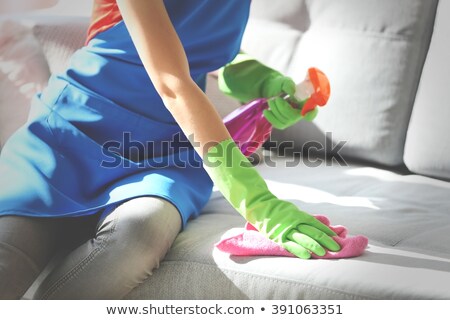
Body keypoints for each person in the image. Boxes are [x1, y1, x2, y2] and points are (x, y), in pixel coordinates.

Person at [0, 0, 340, 300]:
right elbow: (172, 81)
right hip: (70, 136)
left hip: (166, 156)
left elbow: (210, 50)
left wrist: (264, 82)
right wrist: (259, 203)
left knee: (135, 240)